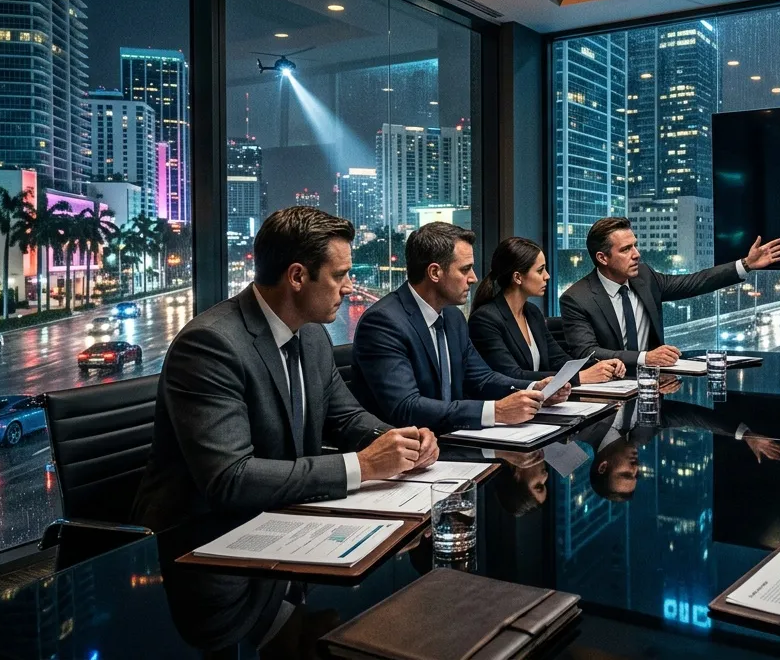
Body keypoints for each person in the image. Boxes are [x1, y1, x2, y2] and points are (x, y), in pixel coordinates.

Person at [132, 207, 438, 532]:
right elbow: (230, 478)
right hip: (202, 541)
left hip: (284, 520)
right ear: (297, 276)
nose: (349, 287)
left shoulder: (311, 334)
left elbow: (346, 418)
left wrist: (402, 442)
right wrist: (363, 465)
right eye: (339, 275)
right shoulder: (210, 345)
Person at [351, 222, 571, 432]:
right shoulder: (383, 322)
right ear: (435, 272)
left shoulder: (453, 317)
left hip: (453, 441)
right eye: (465, 270)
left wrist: (535, 389)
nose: (474, 278)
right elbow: (406, 407)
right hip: (407, 453)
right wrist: (495, 411)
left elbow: (482, 379)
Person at [560, 217, 780, 369]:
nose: (637, 254)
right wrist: (645, 358)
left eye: (635, 245)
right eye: (626, 249)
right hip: (607, 395)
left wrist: (745, 264)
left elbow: (694, 282)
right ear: (602, 258)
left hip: (655, 384)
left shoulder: (644, 277)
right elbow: (586, 353)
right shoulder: (577, 298)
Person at [469, 236, 625, 385]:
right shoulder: (485, 319)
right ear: (518, 277)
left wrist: (600, 366)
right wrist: (579, 377)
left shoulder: (532, 312)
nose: (547, 276)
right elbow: (511, 374)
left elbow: (558, 359)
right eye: (540, 270)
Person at [580, 396, 780, 502]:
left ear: (602, 466)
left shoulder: (580, 426)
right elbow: (690, 416)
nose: (635, 468)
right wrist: (745, 435)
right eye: (636, 475)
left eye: (626, 473)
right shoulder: (644, 434)